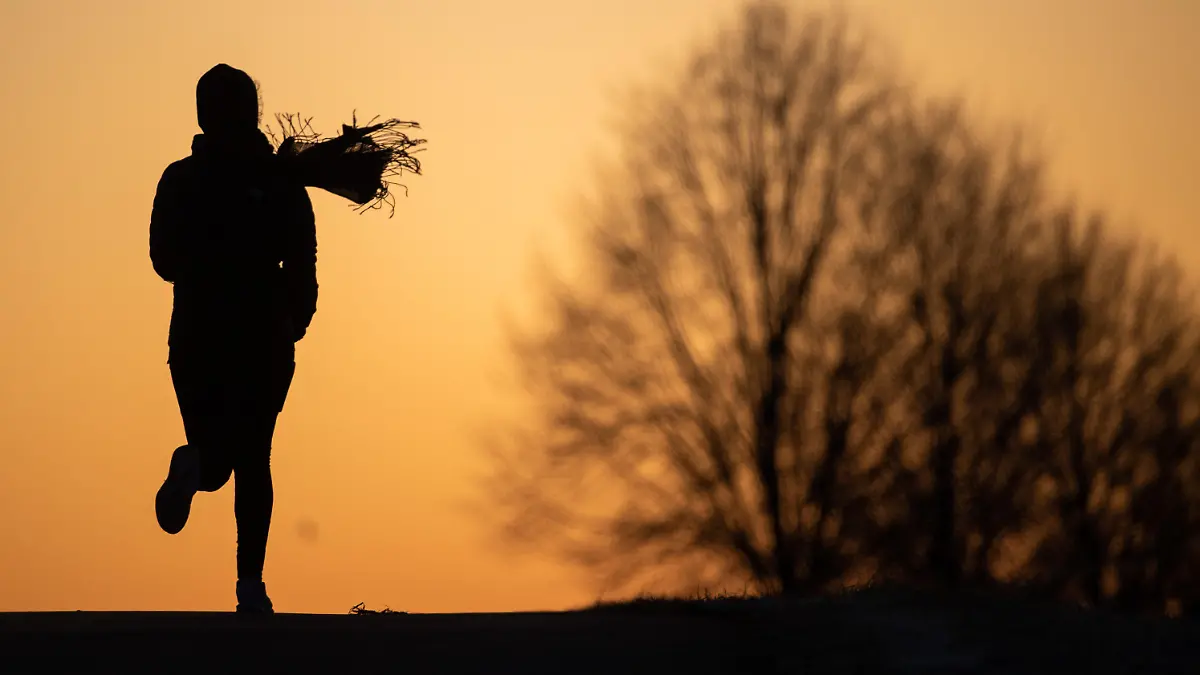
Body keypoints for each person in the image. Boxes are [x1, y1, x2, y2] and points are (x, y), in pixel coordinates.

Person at [149, 64, 318, 614]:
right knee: (252, 459)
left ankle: (191, 466)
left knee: (216, 459)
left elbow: (163, 261)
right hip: (261, 339)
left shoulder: (179, 180)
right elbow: (303, 258)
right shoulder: (281, 183)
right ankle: (251, 586)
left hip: (196, 337)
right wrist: (294, 319)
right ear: (253, 113)